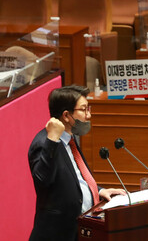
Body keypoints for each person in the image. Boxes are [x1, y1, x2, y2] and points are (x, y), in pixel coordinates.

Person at [28, 85, 125, 241]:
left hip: (78, 231)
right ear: (66, 115)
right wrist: (51, 140)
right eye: (84, 109)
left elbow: (74, 178)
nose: (89, 115)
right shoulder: (44, 143)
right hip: (57, 235)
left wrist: (98, 191)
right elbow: (42, 181)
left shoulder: (70, 140)